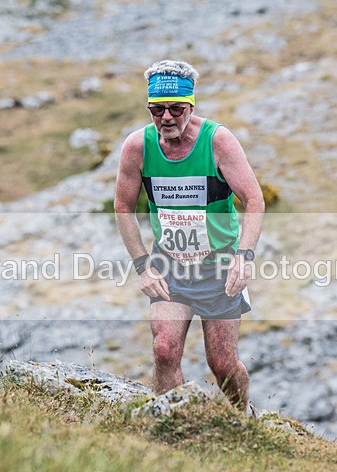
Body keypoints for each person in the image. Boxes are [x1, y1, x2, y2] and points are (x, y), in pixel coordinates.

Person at [114, 59, 264, 410]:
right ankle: (173, 427)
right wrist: (142, 266)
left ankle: (241, 422)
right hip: (170, 268)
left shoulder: (218, 142)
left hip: (219, 268)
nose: (166, 118)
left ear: (191, 105)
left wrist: (244, 258)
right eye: (157, 110)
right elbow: (123, 207)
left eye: (176, 109)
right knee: (164, 350)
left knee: (223, 365)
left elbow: (254, 199)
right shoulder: (138, 147)